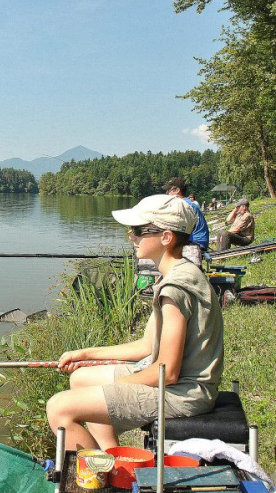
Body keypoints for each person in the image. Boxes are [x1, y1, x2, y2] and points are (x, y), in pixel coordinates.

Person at [46, 194, 223, 451]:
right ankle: (113, 457)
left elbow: (168, 372)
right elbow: (146, 346)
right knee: (81, 379)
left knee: (58, 408)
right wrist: (83, 353)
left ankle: (100, 473)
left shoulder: (175, 288)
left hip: (186, 394)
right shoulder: (176, 273)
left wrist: (115, 387)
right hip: (181, 383)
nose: (131, 236)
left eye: (139, 230)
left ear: (166, 237)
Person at [164, 177, 209, 267]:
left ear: (177, 190)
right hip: (195, 240)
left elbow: (178, 228)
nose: (167, 194)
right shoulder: (186, 203)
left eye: (169, 191)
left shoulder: (183, 205)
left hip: (196, 242)